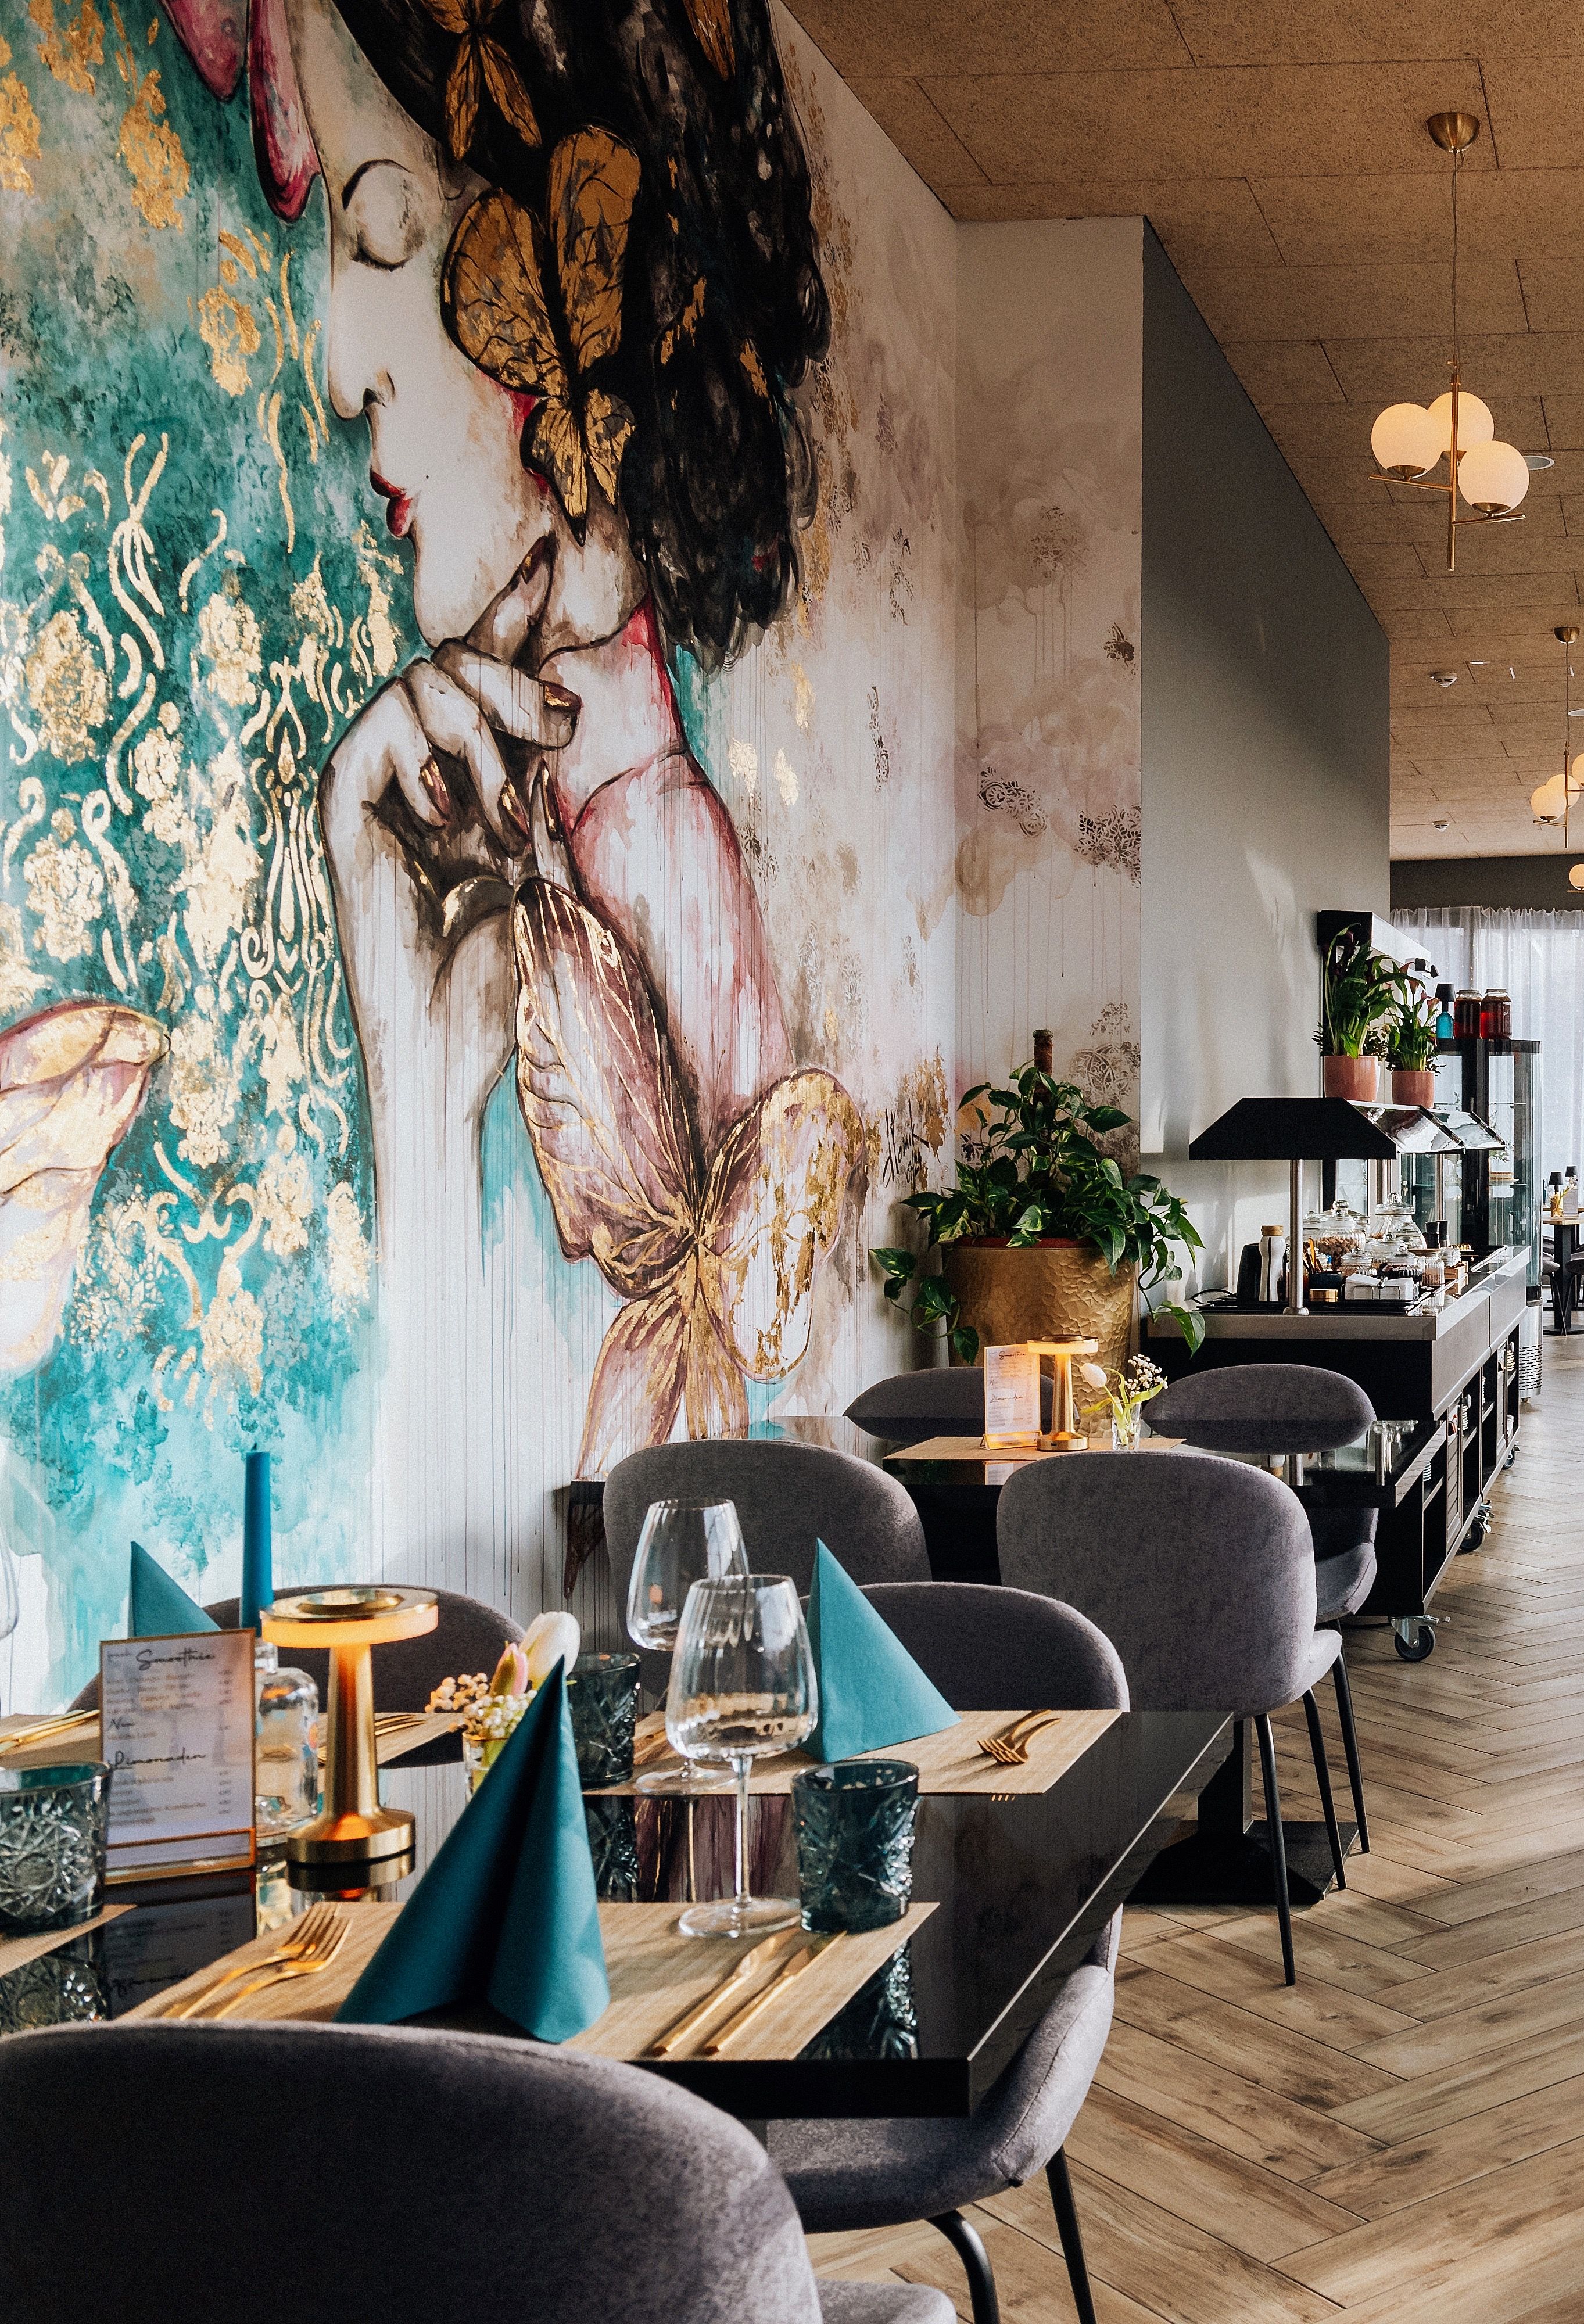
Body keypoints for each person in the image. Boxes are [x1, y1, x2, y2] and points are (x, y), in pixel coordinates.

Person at [262, 0, 867, 1478]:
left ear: (578, 331)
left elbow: (712, 1471)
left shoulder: (651, 835)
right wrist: (414, 1086)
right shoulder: (555, 814)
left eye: (388, 240)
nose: (341, 365)